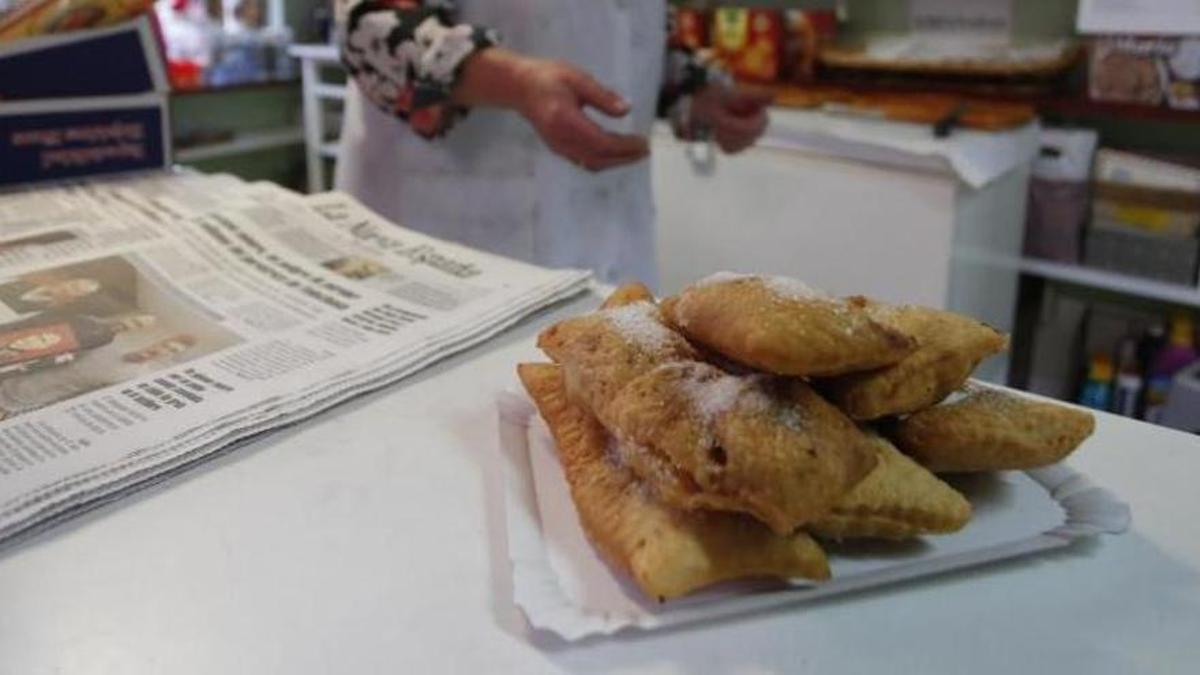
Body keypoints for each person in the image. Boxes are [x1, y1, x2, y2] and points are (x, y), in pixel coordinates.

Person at [338, 1, 771, 286]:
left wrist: (691, 90)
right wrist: (518, 82)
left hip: (613, 230)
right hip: (449, 228)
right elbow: (367, 26)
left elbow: (621, 27)